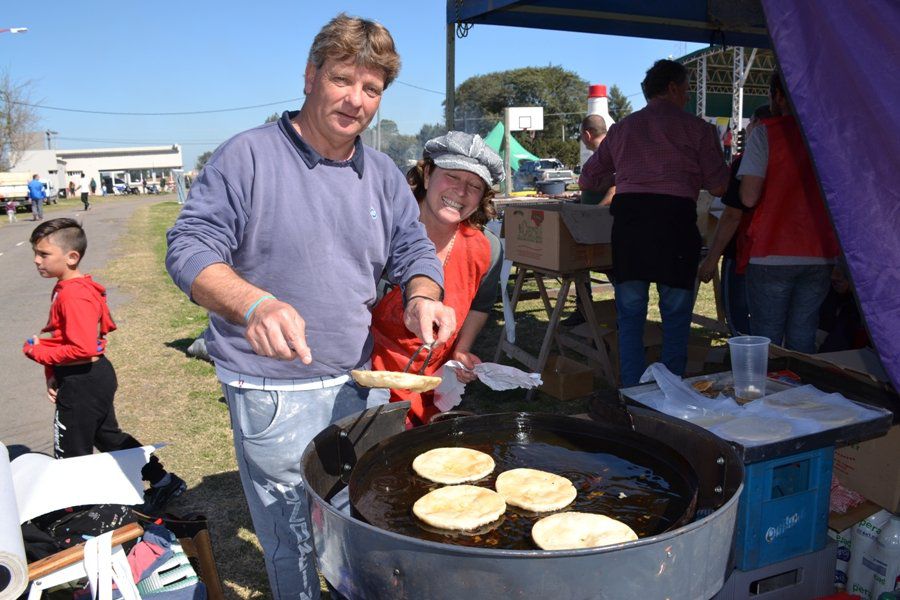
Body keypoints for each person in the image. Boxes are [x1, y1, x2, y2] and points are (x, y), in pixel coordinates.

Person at [165, 14, 455, 600]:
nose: (355, 100)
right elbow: (190, 248)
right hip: (273, 388)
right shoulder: (247, 156)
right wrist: (253, 304)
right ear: (310, 74)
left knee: (360, 511)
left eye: (371, 89)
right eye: (343, 79)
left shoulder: (381, 174)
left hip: (360, 380)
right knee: (291, 529)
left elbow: (412, 247)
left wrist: (424, 293)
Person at [580, 59, 729, 386]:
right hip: (675, 224)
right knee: (676, 317)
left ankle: (632, 390)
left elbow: (587, 181)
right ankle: (672, 387)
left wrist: (621, 171)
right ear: (674, 88)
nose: (688, 96)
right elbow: (720, 187)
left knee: (630, 316)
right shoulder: (698, 129)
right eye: (686, 89)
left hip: (631, 226)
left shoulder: (621, 130)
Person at [22, 218, 186, 512]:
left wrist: (37, 354)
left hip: (84, 380)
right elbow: (64, 339)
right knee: (108, 437)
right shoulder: (66, 287)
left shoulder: (74, 294)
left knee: (71, 453)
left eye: (44, 254)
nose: (36, 260)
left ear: (72, 257)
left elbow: (82, 349)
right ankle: (163, 481)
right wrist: (51, 372)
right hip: (85, 377)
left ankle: (84, 513)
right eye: (35, 253)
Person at [371, 131, 503, 426]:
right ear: (428, 175)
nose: (460, 192)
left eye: (474, 186)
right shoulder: (382, 236)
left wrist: (462, 349)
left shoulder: (487, 249)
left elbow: (481, 304)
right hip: (369, 385)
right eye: (452, 177)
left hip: (432, 385)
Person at [738, 71, 840, 352]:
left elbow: (748, 197)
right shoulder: (829, 138)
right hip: (820, 251)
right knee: (803, 338)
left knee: (767, 342)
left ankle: (768, 395)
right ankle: (799, 394)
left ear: (778, 96)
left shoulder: (765, 133)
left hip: (772, 249)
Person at [698, 105, 772, 336]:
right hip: (785, 252)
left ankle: (750, 364)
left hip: (746, 251)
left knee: (741, 321)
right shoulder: (801, 155)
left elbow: (732, 215)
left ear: (758, 125)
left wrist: (711, 259)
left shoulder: (748, 162)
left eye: (750, 123)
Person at [578, 114, 615, 206]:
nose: (581, 139)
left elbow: (618, 184)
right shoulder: (610, 150)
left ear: (587, 135)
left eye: (581, 135)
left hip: (603, 216)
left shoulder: (610, 153)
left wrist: (598, 208)